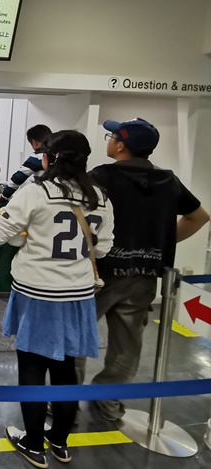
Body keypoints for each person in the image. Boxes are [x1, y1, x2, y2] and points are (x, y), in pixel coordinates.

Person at [0, 130, 115, 468]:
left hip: (38, 293)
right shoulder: (100, 195)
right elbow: (102, 247)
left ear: (48, 157)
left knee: (31, 368)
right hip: (78, 294)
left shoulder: (37, 190)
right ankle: (59, 442)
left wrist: (25, 239)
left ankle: (33, 443)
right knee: (66, 370)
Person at [75, 118, 210, 421]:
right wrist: (161, 241)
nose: (108, 140)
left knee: (77, 336)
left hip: (100, 273)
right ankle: (108, 400)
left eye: (111, 136)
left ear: (120, 145)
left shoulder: (100, 176)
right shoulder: (168, 179)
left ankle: (65, 399)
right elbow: (199, 216)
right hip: (145, 275)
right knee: (128, 344)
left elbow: (81, 220)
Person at [0, 125, 52, 207]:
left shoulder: (38, 157)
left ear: (34, 142)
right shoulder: (61, 155)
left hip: (44, 200)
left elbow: (16, 180)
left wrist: (2, 199)